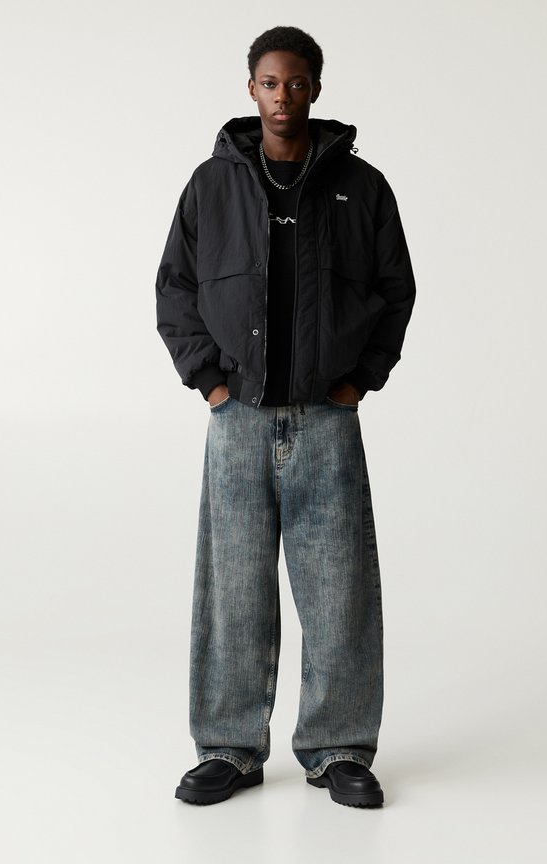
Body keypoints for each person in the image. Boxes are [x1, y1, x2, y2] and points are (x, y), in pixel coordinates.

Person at [155, 25, 416, 808]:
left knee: (339, 590)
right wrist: (209, 382)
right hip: (236, 420)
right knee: (232, 592)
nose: (283, 96)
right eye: (270, 83)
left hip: (327, 419)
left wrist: (361, 380)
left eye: (296, 83)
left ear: (315, 89)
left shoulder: (361, 187)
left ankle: (339, 748)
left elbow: (395, 289)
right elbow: (176, 286)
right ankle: (229, 749)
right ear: (251, 89)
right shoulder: (211, 185)